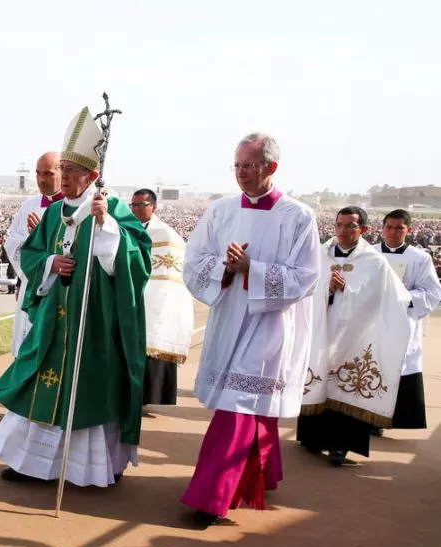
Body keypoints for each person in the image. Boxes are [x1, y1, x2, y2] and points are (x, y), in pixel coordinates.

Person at [0, 106, 151, 487]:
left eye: (72, 172)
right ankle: (34, 465)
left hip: (94, 322)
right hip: (54, 319)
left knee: (89, 390)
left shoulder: (112, 209)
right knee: (42, 383)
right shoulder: (55, 210)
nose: (64, 178)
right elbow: (30, 254)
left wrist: (107, 228)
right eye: (62, 171)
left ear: (92, 175)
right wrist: (50, 264)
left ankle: (93, 467)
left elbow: (136, 261)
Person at [180, 132, 321, 525]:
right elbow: (194, 260)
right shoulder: (222, 210)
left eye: (248, 166)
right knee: (250, 406)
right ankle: (259, 475)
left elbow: (306, 277)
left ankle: (212, 495)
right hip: (229, 318)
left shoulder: (298, 217)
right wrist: (225, 268)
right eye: (237, 166)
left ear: (270, 168)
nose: (240, 173)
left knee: (238, 406)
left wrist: (252, 271)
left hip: (271, 325)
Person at [297, 207, 412, 465]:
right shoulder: (320, 256)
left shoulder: (374, 262)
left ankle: (341, 446)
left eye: (351, 225)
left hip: (355, 336)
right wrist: (325, 290)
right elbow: (304, 289)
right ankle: (312, 438)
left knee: (347, 385)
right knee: (318, 380)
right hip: (322, 331)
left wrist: (347, 290)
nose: (344, 230)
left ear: (364, 230)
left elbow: (389, 299)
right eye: (340, 224)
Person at [375, 209, 441, 433]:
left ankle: (392, 418)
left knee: (398, 368)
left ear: (408, 230)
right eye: (389, 227)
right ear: (382, 228)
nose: (393, 232)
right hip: (373, 323)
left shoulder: (420, 258)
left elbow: (432, 293)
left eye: (399, 228)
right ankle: (370, 418)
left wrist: (403, 296)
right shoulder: (370, 254)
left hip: (403, 323)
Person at [131, 188, 193, 406]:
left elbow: (167, 280)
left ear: (153, 207)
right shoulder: (125, 229)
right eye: (133, 205)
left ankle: (148, 397)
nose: (136, 209)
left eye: (141, 205)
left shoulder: (166, 235)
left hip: (154, 300)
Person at [4, 152, 63, 356]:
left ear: (63, 172)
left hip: (60, 287)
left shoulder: (74, 206)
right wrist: (21, 281)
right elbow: (12, 242)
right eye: (38, 173)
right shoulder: (28, 206)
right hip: (31, 281)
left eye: (48, 173)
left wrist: (40, 236)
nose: (41, 179)